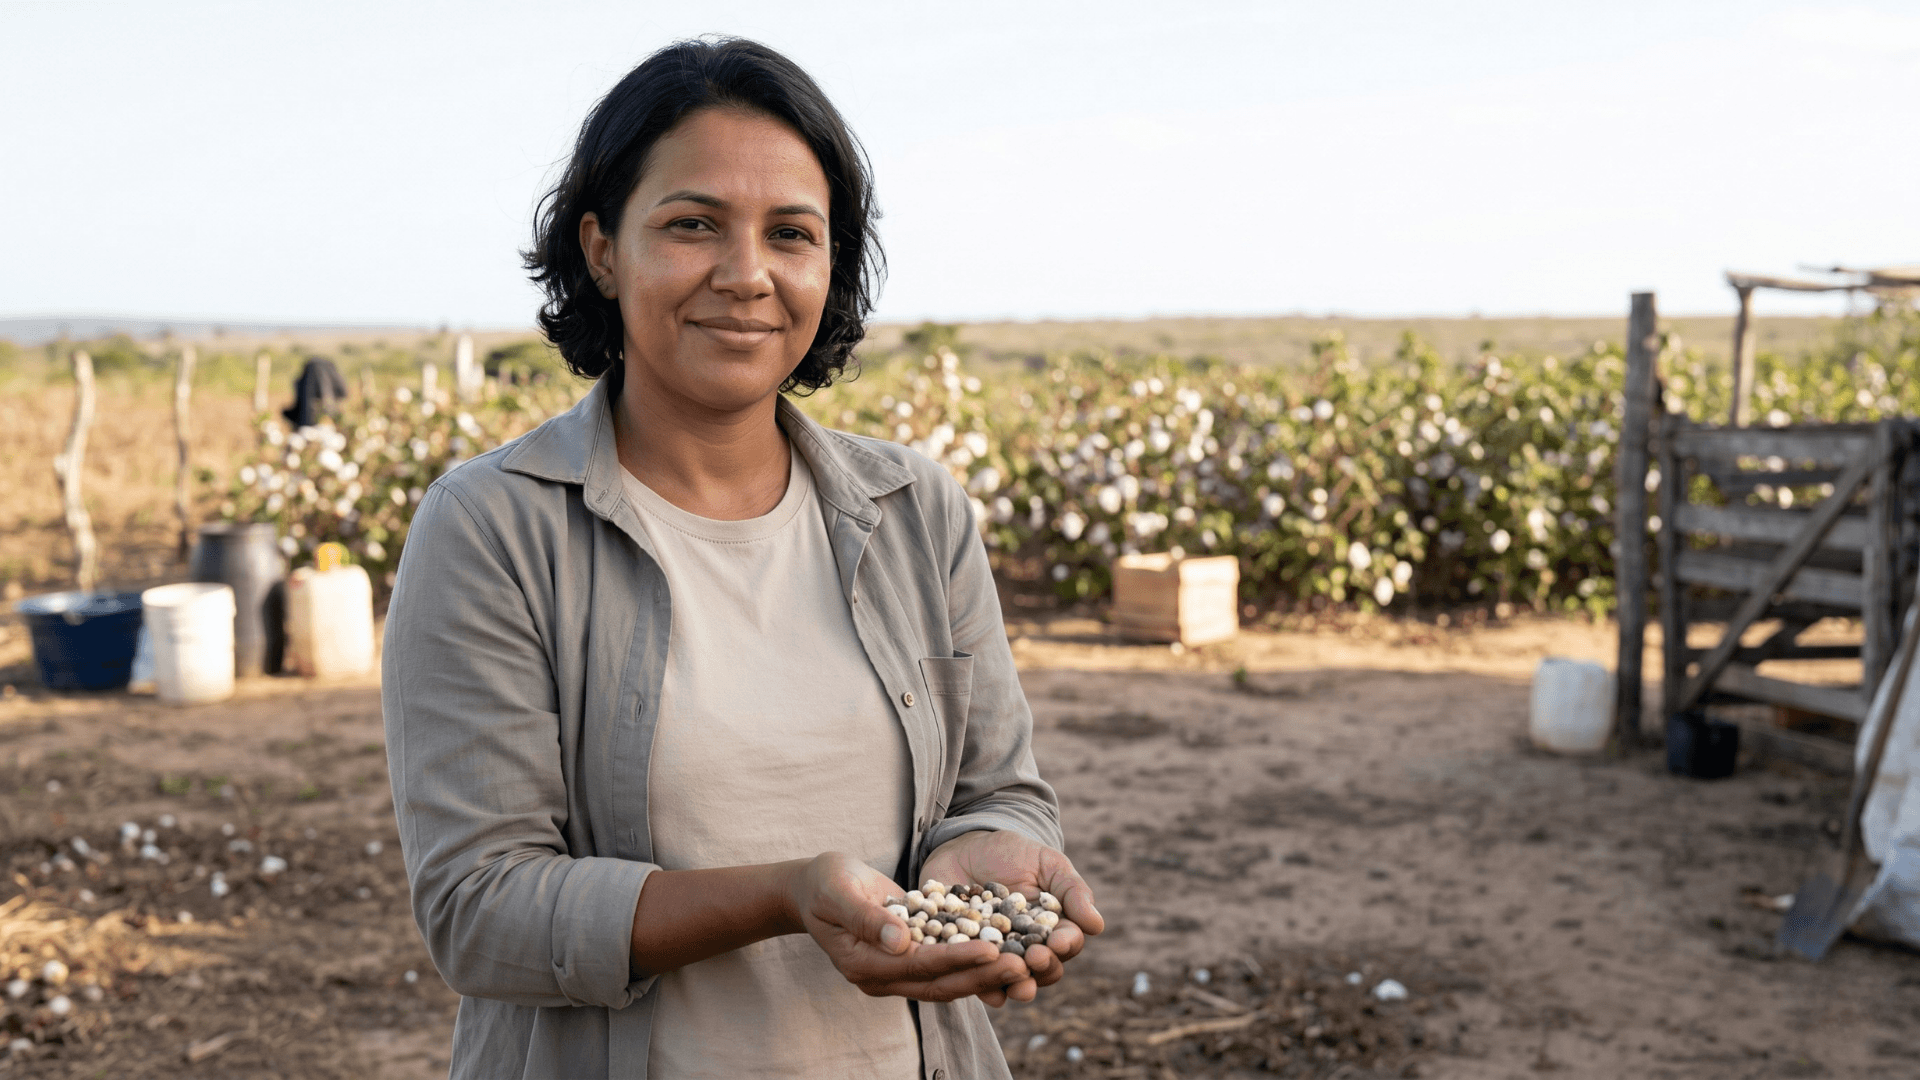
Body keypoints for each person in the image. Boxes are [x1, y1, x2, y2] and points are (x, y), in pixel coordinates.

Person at [381, 37, 1102, 1080]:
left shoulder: (914, 511)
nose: (747, 275)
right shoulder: (495, 528)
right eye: (693, 225)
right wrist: (783, 896)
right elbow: (480, 910)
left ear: (830, 264)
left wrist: (986, 849)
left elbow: (1001, 791)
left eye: (791, 234)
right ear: (601, 250)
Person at [281, 355, 347, 427]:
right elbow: (343, 394)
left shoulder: (303, 379)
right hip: (327, 421)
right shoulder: (332, 374)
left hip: (307, 423)